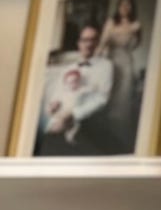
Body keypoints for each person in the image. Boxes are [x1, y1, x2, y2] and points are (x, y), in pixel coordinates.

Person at [38, 23, 114, 154]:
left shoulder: (106, 66)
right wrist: (53, 106)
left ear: (97, 43)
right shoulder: (69, 68)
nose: (88, 44)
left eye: (92, 40)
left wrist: (72, 115)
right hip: (62, 115)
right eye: (84, 40)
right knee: (46, 141)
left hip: (88, 119)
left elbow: (102, 98)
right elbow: (58, 93)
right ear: (79, 43)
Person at [97, 0, 144, 151]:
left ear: (132, 8)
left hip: (126, 62)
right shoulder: (111, 22)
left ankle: (117, 137)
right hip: (111, 60)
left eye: (128, 5)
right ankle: (103, 134)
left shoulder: (136, 25)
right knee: (108, 94)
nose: (125, 7)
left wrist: (131, 36)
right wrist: (96, 59)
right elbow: (103, 42)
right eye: (122, 4)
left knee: (122, 98)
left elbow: (136, 44)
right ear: (118, 6)